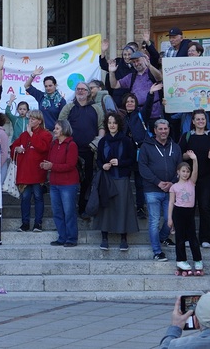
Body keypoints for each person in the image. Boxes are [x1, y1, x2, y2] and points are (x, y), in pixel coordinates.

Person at [59, 81, 105, 216]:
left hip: (89, 151)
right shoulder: (69, 107)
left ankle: (83, 208)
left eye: (83, 89)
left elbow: (101, 126)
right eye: (78, 89)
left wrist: (98, 141)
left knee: (87, 180)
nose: (80, 91)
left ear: (88, 92)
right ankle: (68, 209)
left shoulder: (96, 108)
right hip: (71, 151)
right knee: (70, 180)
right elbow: (60, 126)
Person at [95, 111, 139, 251]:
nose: (112, 125)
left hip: (121, 178)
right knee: (106, 208)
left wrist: (119, 162)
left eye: (114, 123)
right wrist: (103, 165)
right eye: (109, 123)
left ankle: (123, 238)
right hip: (107, 179)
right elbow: (99, 160)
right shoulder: (103, 141)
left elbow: (132, 160)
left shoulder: (126, 140)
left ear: (118, 124)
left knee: (122, 207)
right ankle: (104, 238)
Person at [139, 119, 181, 261]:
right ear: (155, 130)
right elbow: (142, 167)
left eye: (166, 128)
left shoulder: (175, 147)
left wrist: (173, 183)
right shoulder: (146, 147)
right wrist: (158, 182)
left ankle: (163, 237)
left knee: (172, 218)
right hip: (152, 190)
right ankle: (157, 252)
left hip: (171, 190)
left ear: (169, 129)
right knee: (154, 221)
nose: (163, 131)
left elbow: (180, 167)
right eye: (160, 129)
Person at [180, 109, 210, 248]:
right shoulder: (186, 136)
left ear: (206, 121)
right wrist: (188, 156)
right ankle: (187, 237)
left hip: (207, 177)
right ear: (193, 121)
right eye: (197, 119)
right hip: (189, 178)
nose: (200, 121)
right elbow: (180, 155)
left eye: (203, 119)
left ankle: (205, 238)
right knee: (188, 207)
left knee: (204, 206)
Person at [10, 110, 52, 232]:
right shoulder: (24, 135)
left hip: (38, 172)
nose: (31, 121)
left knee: (38, 197)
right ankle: (25, 223)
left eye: (33, 119)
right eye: (30, 118)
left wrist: (32, 135)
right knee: (25, 198)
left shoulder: (46, 134)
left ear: (40, 121)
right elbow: (13, 147)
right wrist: (16, 149)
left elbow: (43, 148)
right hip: (24, 172)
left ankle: (38, 223)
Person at [43, 119, 80, 247]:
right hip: (54, 184)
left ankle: (71, 238)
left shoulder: (72, 145)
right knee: (57, 212)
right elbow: (51, 161)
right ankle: (62, 237)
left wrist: (52, 166)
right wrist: (46, 165)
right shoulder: (53, 144)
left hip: (68, 184)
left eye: (57, 128)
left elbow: (70, 165)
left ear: (64, 129)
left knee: (69, 212)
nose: (54, 130)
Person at [167, 160, 202, 274]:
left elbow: (195, 172)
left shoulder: (191, 183)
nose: (186, 173)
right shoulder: (174, 187)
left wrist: (195, 160)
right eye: (183, 171)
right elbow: (171, 202)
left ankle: (197, 260)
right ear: (178, 172)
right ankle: (181, 260)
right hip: (178, 212)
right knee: (180, 238)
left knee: (192, 237)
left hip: (190, 212)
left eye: (188, 171)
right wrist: (169, 218)